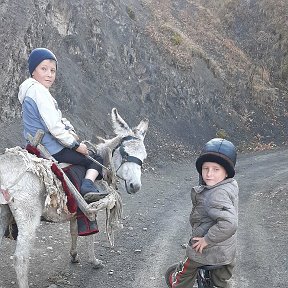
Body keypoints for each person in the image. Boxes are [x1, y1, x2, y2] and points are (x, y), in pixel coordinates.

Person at [18, 47, 108, 202]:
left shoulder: (30, 91)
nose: (49, 74)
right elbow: (54, 127)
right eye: (44, 69)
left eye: (53, 71)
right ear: (33, 71)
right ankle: (87, 186)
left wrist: (70, 130)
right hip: (50, 148)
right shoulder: (39, 92)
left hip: (35, 145)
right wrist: (75, 145)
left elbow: (57, 119)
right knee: (95, 158)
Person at [166, 138, 238, 288]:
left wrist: (206, 240)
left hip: (207, 251)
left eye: (216, 169)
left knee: (184, 272)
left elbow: (229, 223)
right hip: (226, 253)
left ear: (226, 172)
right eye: (206, 169)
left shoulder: (216, 195)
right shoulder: (231, 185)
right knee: (221, 282)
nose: (209, 174)